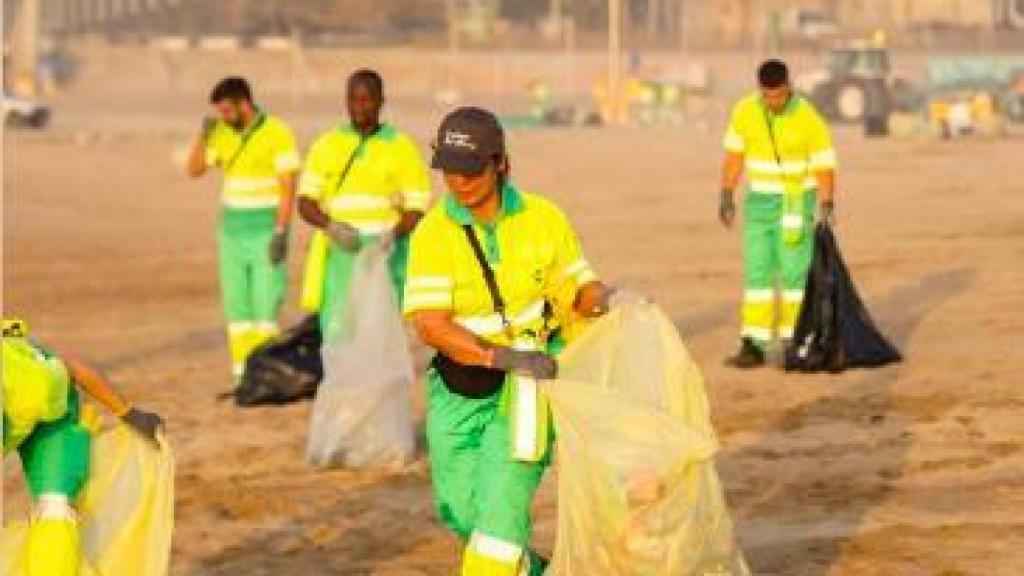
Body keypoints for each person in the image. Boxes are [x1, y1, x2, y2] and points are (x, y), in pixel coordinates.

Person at [405, 107, 630, 576]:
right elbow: (430, 324)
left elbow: (578, 292)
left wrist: (608, 299)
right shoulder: (432, 234)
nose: (459, 182)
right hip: (458, 389)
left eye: (471, 170)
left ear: (501, 163)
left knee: (498, 523)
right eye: (450, 170)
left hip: (529, 388)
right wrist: (499, 356)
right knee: (461, 512)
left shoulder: (543, 219)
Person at [2, 318, 164, 576]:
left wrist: (129, 413)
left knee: (55, 509)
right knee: (55, 507)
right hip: (37, 397)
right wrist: (129, 413)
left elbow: (71, 367)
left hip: (52, 409)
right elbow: (72, 364)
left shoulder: (36, 377)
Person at [719, 59, 837, 368]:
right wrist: (726, 193)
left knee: (794, 274)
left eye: (780, 96)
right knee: (757, 274)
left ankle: (793, 341)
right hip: (759, 203)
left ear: (789, 87)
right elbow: (734, 155)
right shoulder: (745, 111)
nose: (774, 102)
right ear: (760, 90)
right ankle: (753, 343)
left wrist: (827, 201)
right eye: (768, 96)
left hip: (794, 203)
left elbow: (824, 161)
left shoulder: (807, 115)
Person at [297, 69, 430, 335]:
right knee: (337, 326)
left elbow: (417, 206)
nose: (358, 106)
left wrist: (392, 235)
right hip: (339, 251)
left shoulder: (401, 147)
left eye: (366, 100)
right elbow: (305, 202)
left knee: (378, 328)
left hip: (384, 254)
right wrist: (332, 227)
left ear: (381, 101)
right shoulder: (327, 144)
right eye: (352, 99)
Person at [186, 76, 300, 382]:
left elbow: (288, 186)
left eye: (226, 111)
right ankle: (242, 375)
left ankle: (265, 373)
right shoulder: (222, 133)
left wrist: (281, 231)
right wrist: (203, 137)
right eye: (219, 112)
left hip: (266, 231)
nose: (222, 117)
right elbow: (194, 170)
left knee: (266, 306)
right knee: (237, 309)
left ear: (244, 104)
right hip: (231, 232)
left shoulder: (277, 132)